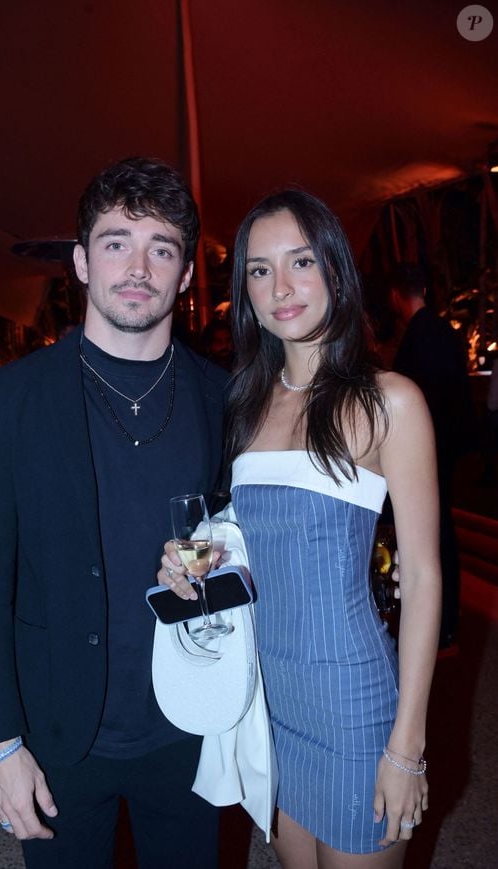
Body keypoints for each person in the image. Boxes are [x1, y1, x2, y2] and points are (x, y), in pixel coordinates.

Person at [0, 157, 228, 869]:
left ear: (187, 273)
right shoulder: (10, 399)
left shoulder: (222, 395)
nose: (137, 266)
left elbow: (237, 533)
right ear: (80, 261)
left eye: (161, 248)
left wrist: (211, 560)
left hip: (190, 730)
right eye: (115, 243)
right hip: (58, 735)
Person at [161, 190, 441, 866]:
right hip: (268, 698)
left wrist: (407, 745)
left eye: (300, 262)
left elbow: (426, 574)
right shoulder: (245, 404)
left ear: (335, 273)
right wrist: (192, 559)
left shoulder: (390, 402)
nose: (280, 287)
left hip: (351, 701)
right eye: (259, 270)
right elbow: (251, 537)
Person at [388, 263, 476, 650]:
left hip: (429, 450)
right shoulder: (444, 331)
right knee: (441, 533)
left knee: (432, 535)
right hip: (447, 445)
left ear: (396, 295)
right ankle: (449, 619)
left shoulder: (418, 337)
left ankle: (440, 622)